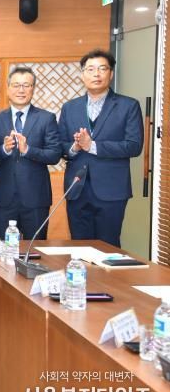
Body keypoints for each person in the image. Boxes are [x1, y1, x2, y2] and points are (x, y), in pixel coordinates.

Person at [57, 49, 143, 247]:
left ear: (110, 74)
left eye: (102, 69)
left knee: (108, 247)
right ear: (82, 75)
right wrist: (75, 147)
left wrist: (93, 146)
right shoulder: (70, 107)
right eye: (90, 69)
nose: (96, 74)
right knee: (79, 247)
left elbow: (134, 146)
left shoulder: (128, 106)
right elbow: (61, 146)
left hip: (111, 190)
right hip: (77, 189)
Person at [0, 66, 61, 240]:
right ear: (8, 88)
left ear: (33, 89)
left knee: (35, 250)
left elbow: (54, 154)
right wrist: (4, 149)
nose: (21, 90)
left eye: (26, 85)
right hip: (4, 198)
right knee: (4, 250)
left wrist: (28, 150)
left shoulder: (46, 118)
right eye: (16, 85)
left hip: (36, 198)